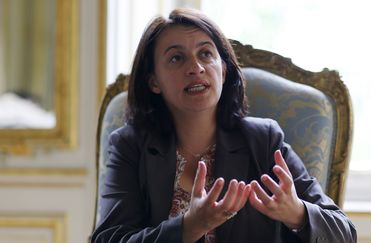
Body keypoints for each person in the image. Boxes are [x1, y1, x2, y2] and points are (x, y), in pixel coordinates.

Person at [91, 8, 357, 243]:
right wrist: (188, 228)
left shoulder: (264, 140)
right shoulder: (130, 145)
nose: (196, 68)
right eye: (176, 58)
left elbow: (344, 234)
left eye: (206, 54)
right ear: (154, 82)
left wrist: (297, 212)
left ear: (224, 70)